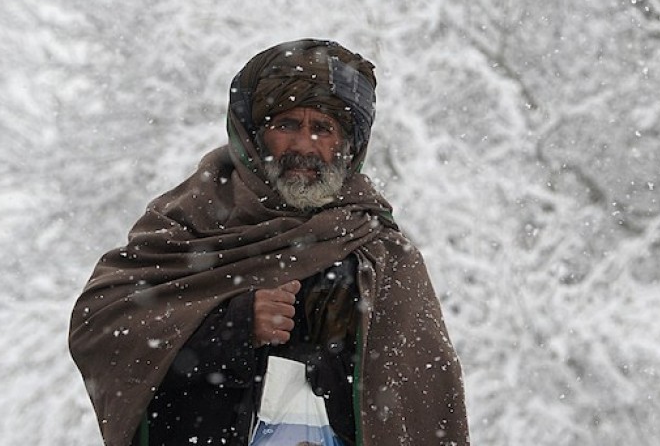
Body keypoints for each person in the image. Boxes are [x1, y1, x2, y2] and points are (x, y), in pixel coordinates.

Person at [69, 39, 469, 446]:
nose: (305, 146)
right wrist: (233, 327)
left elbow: (423, 396)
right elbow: (101, 330)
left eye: (323, 129)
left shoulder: (380, 250)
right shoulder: (193, 220)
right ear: (254, 135)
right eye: (287, 125)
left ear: (348, 146)